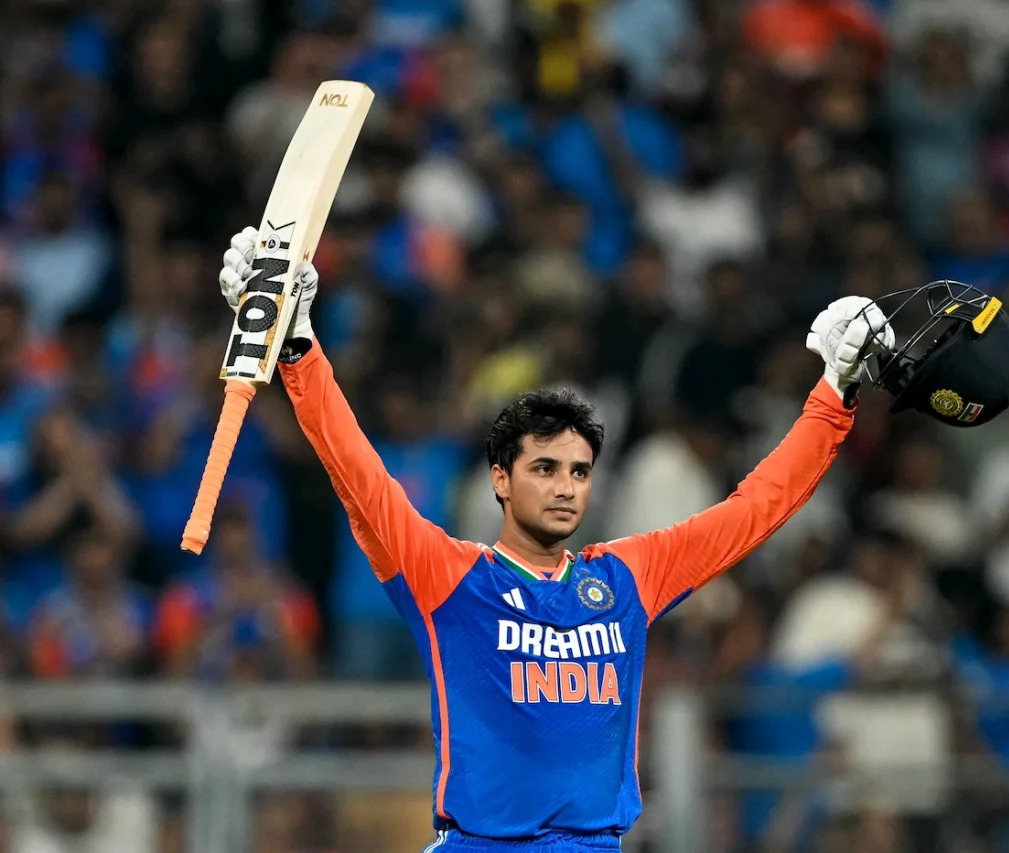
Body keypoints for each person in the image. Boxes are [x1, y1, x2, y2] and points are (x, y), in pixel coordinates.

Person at [216, 225, 895, 850]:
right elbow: (357, 473)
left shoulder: (628, 576)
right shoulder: (451, 578)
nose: (567, 486)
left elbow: (757, 509)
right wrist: (299, 345)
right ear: (501, 481)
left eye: (579, 471)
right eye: (544, 468)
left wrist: (834, 392)